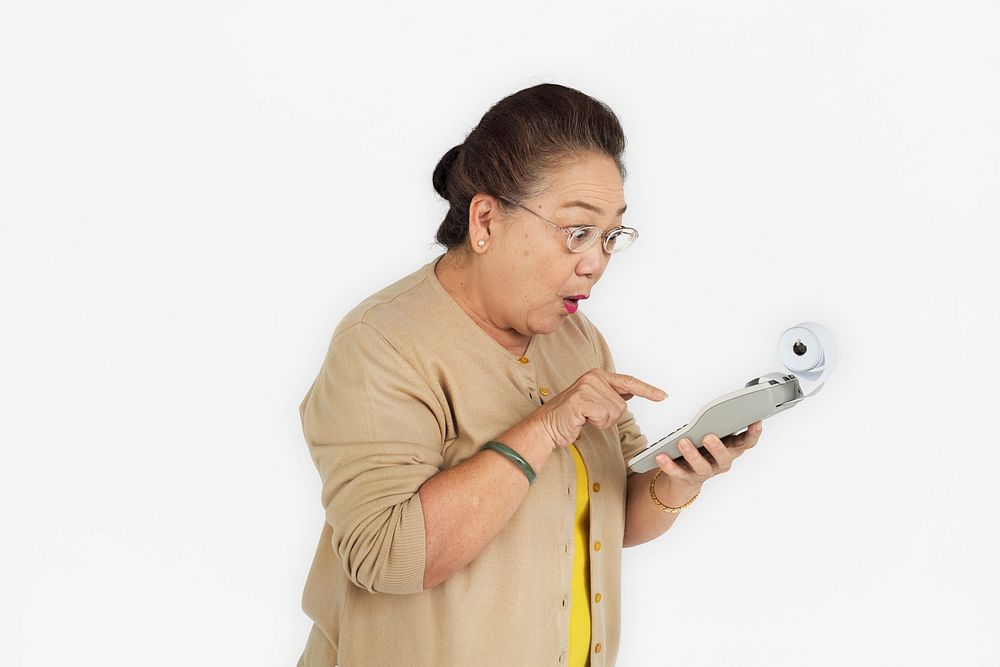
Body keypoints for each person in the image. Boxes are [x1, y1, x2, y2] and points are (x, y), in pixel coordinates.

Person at [295, 83, 763, 667]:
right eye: (577, 232)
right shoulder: (381, 346)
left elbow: (606, 518)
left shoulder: (578, 341)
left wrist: (680, 479)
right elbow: (388, 557)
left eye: (611, 235)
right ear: (486, 220)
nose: (596, 262)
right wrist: (546, 427)